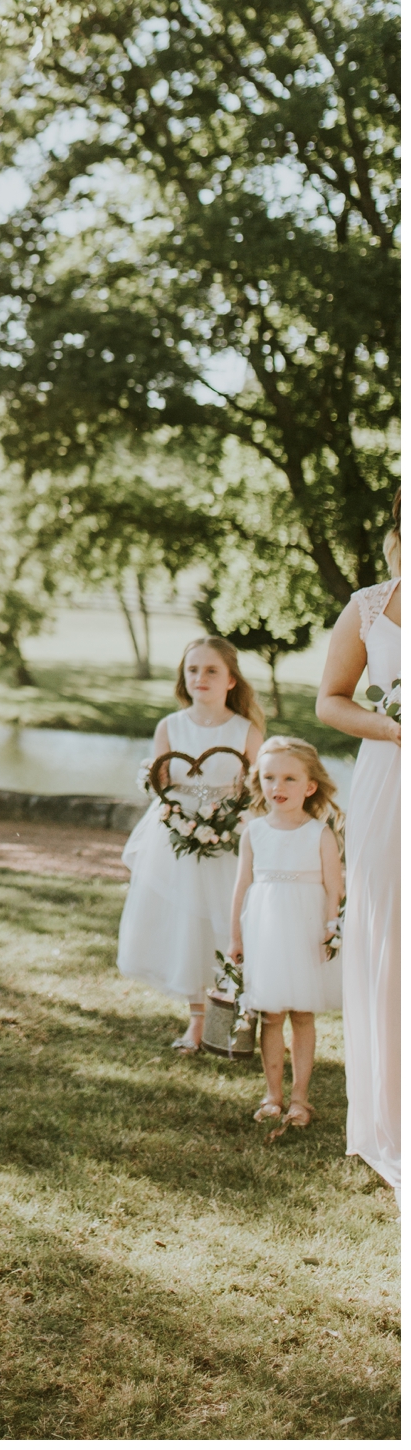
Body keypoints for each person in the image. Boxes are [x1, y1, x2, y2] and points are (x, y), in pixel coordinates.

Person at [117, 635, 265, 1050]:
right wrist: (154, 780)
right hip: (178, 837)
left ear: (231, 680)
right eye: (193, 670)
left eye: (211, 670)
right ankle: (196, 1021)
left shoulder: (245, 731)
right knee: (188, 925)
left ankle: (241, 1016)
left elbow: (259, 787)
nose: (201, 677)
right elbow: (162, 782)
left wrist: (237, 805)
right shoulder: (170, 726)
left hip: (230, 837)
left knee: (231, 922)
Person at [317, 495, 400, 1202]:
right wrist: (398, 729)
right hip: (389, 785)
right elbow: (331, 701)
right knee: (392, 938)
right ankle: (392, 1114)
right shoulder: (371, 606)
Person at [228, 736, 343, 1129]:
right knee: (271, 1015)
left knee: (303, 1014)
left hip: (307, 930)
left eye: (290, 779)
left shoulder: (320, 833)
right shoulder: (254, 832)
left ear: (310, 786)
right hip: (266, 930)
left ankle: (300, 1097)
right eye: (269, 777)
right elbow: (241, 887)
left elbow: (334, 887)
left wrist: (331, 928)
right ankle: (272, 1094)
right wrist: (235, 937)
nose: (278, 787)